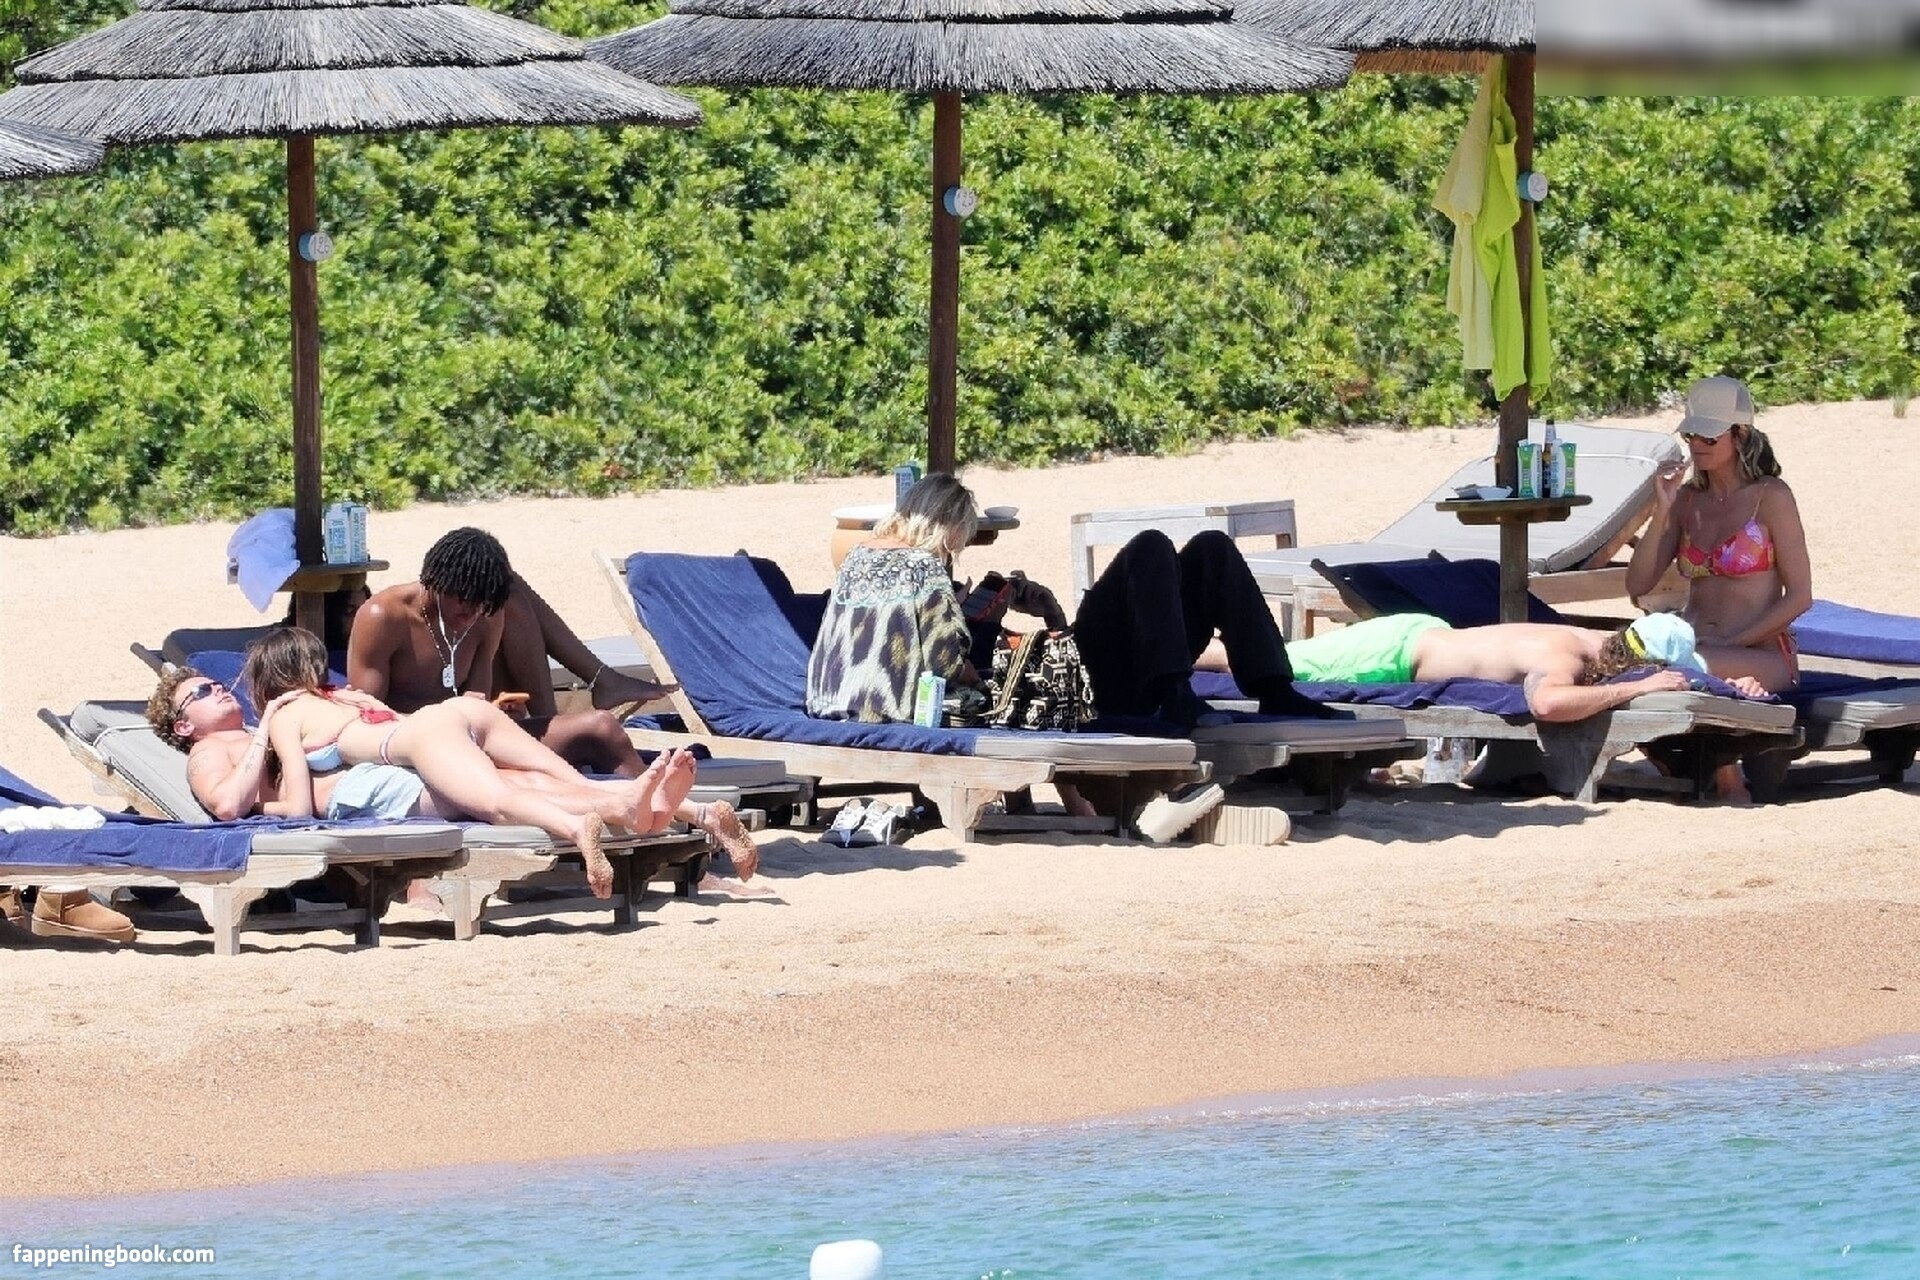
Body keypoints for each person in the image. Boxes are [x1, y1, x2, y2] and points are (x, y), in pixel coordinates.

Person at [149, 633, 700, 899]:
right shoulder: (209, 752)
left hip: (393, 766)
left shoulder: (282, 720)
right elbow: (229, 806)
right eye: (201, 692)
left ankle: (627, 806)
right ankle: (632, 809)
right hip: (379, 786)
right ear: (183, 725)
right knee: (503, 790)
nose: (218, 689)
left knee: (511, 786)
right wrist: (267, 727)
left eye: (218, 684)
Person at [345, 527, 758, 879]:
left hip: (473, 737)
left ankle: (672, 839)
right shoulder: (382, 616)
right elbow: (367, 716)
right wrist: (446, 728)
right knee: (534, 780)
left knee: (601, 728)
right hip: (413, 750)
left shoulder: (485, 616)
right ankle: (687, 826)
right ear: (432, 580)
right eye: (461, 602)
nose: (469, 615)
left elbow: (475, 696)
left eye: (480, 606)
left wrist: (494, 711)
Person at [806, 473, 1326, 730]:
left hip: (1085, 662)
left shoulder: (861, 563)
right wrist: (983, 624)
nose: (956, 552)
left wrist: (1049, 616)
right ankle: (1176, 691)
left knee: (1210, 549)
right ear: (947, 530)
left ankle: (1271, 686)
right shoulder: (923, 574)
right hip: (1085, 681)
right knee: (1151, 546)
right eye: (958, 540)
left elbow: (938, 651)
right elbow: (956, 667)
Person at [1625, 376, 1813, 693]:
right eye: (1690, 435)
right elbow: (1637, 585)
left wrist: (1732, 642)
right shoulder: (1687, 500)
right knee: (1618, 660)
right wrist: (1662, 508)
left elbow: (1800, 597)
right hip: (1695, 645)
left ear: (1741, 434)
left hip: (1757, 654)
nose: (1696, 444)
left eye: (1709, 437)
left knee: (1668, 670)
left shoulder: (1771, 497)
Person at [1283, 611, 1768, 721]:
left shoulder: (1599, 642)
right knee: (1269, 661)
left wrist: (1732, 685)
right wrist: (1635, 690)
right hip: (1388, 657)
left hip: (1419, 636)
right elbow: (1547, 703)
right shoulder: (1565, 654)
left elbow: (1690, 678)